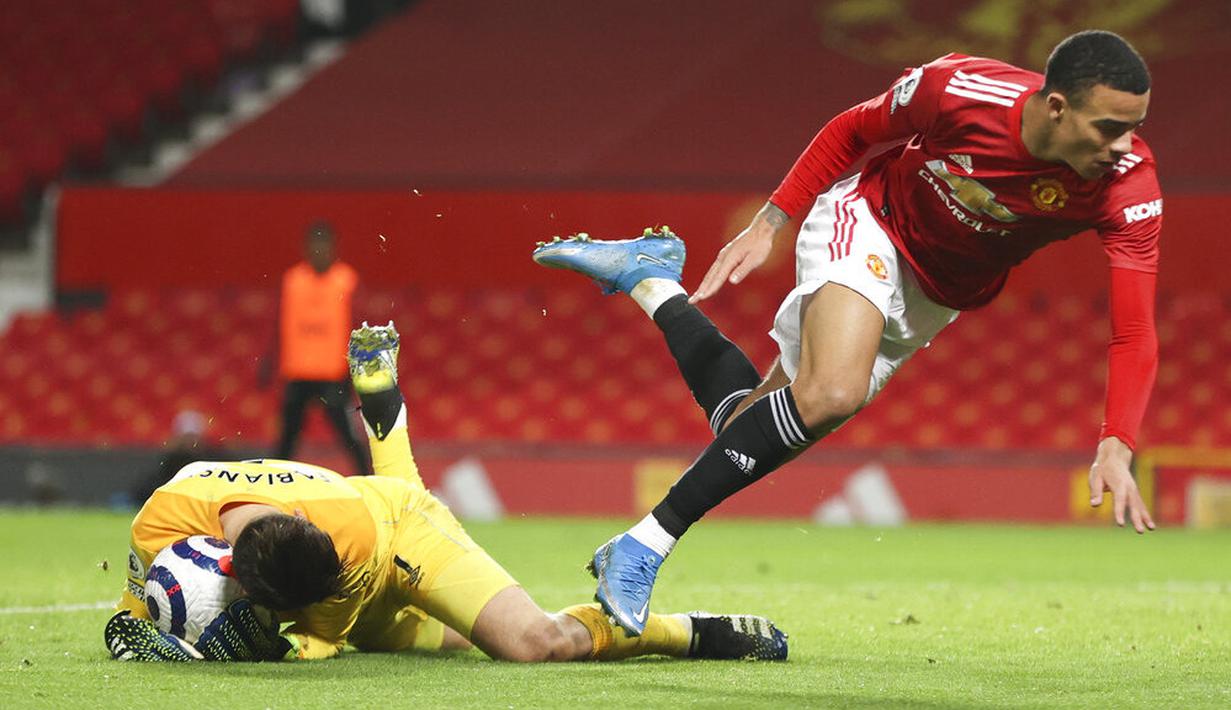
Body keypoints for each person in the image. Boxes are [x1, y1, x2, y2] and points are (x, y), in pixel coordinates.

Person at [533, 29, 1160, 636]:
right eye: (1109, 127)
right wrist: (773, 219)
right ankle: (642, 547)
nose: (1123, 145)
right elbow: (854, 129)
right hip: (871, 224)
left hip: (934, 299)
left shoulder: (1128, 185)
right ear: (1057, 106)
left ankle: (650, 281)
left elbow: (1133, 331)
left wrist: (1116, 442)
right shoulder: (959, 89)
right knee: (833, 393)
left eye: (1134, 127)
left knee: (748, 433)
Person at [104, 323, 787, 663]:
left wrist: (262, 647)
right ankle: (383, 411)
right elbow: (128, 624)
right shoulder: (156, 521)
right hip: (361, 506)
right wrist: (149, 634)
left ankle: (688, 633)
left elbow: (314, 642)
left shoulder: (341, 544)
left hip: (397, 533)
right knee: (450, 635)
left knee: (532, 645)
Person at [259, 220, 369, 476]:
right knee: (286, 440)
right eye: (314, 245)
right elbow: (278, 322)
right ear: (306, 248)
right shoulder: (293, 280)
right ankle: (273, 486)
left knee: (350, 438)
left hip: (333, 373)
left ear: (333, 247)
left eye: (324, 245)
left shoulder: (346, 280)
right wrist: (269, 360)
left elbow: (358, 322)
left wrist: (357, 368)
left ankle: (370, 486)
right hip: (297, 372)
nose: (319, 251)